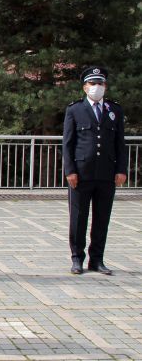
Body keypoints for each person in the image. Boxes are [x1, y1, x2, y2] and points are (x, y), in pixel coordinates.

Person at [63, 66, 126, 276]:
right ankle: (77, 259)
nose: (96, 87)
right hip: (81, 173)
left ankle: (97, 260)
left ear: (105, 86)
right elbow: (68, 143)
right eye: (92, 84)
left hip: (107, 174)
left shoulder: (114, 110)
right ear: (84, 87)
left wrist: (121, 170)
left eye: (100, 83)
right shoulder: (75, 109)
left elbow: (120, 143)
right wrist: (70, 170)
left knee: (102, 218)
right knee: (78, 218)